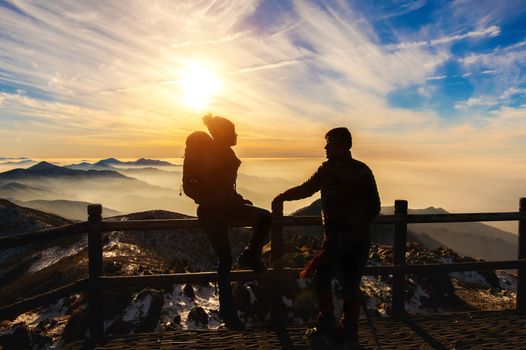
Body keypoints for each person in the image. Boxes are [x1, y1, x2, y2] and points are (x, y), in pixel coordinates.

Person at [272, 127, 380, 346]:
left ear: (342, 145)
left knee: (346, 283)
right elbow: (307, 189)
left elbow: (373, 206)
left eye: (329, 143)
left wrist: (350, 228)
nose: (325, 147)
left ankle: (345, 329)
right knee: (324, 279)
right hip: (337, 240)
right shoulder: (328, 169)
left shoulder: (361, 171)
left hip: (353, 240)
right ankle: (333, 324)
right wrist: (283, 196)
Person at [194, 114, 271, 329]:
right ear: (224, 133)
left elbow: (224, 187)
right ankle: (228, 315)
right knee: (225, 260)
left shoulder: (224, 152)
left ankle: (251, 255)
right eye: (233, 131)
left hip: (225, 208)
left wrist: (235, 199)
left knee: (265, 218)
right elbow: (212, 186)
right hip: (212, 212)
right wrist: (224, 200)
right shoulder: (213, 153)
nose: (236, 135)